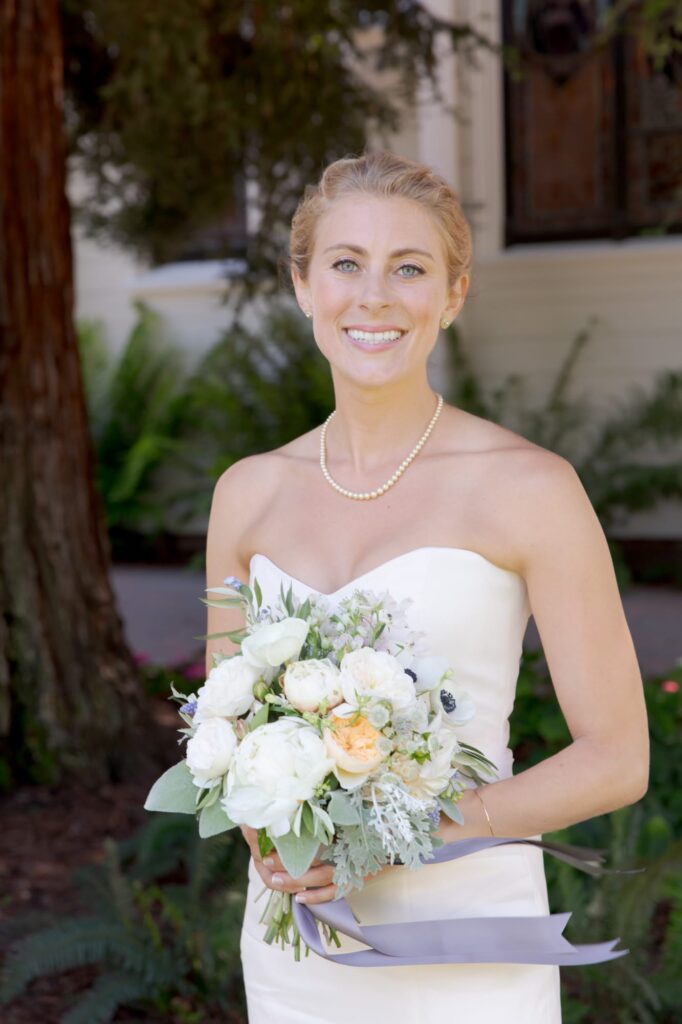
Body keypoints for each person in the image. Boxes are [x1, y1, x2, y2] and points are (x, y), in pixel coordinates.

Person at [204, 151, 649, 1023]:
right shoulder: (246, 493)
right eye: (345, 264)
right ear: (302, 285)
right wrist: (269, 837)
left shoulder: (532, 488)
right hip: (302, 943)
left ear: (452, 293)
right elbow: (224, 735)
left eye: (409, 268)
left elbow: (618, 756)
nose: (374, 296)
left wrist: (408, 838)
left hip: (467, 939)